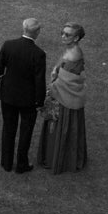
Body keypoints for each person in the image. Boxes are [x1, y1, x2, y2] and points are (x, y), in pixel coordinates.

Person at [0, 18, 46, 173]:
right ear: (37, 32)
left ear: (23, 29)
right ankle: (21, 164)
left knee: (8, 129)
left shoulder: (8, 45)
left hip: (8, 96)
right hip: (28, 100)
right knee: (25, 132)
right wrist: (40, 102)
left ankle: (6, 163)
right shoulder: (39, 54)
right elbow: (39, 81)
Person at [37, 22, 88, 174]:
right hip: (64, 97)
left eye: (68, 35)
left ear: (76, 38)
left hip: (64, 100)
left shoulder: (74, 54)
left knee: (60, 127)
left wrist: (50, 87)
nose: (63, 36)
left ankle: (60, 158)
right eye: (62, 33)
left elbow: (65, 82)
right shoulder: (71, 50)